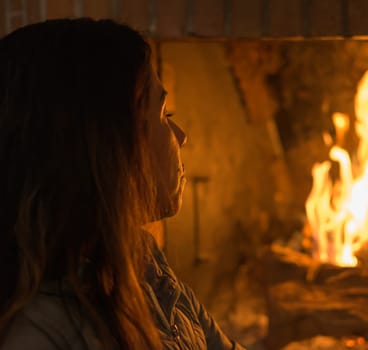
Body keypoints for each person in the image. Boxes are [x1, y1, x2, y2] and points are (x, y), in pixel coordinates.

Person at [0, 18, 244, 349]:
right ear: (108, 147)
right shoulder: (39, 335)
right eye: (164, 115)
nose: (182, 137)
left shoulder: (145, 267)